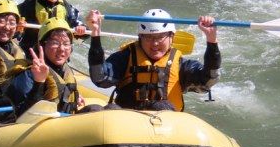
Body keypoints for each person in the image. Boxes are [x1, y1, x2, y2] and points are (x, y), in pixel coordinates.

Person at [86, 8, 220, 111]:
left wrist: (212, 41)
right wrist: (95, 35)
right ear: (140, 38)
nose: (154, 43)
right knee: (109, 110)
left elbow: (207, 80)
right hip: (127, 124)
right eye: (148, 37)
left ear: (171, 37)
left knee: (162, 107)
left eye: (160, 37)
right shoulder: (125, 58)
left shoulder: (181, 65)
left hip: (166, 127)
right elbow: (99, 78)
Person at [19, 17, 87, 114]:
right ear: (41, 46)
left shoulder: (65, 69)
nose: (61, 49)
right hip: (42, 125)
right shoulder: (29, 73)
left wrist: (75, 97)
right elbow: (22, 114)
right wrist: (39, 82)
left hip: (65, 120)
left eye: (66, 44)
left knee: (95, 109)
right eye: (55, 43)